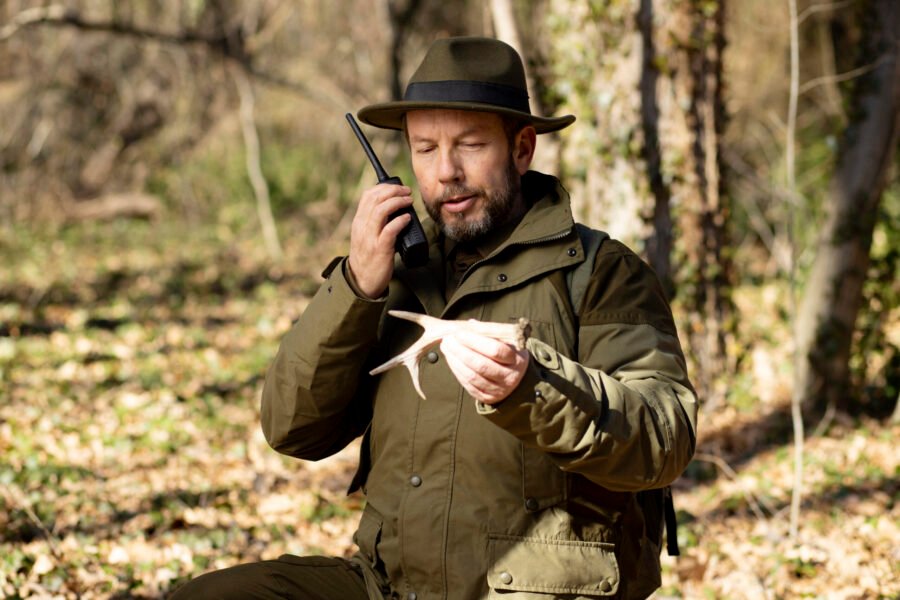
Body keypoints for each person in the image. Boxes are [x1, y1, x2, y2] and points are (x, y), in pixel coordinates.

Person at [171, 36, 698, 600]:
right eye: (425, 148)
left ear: (522, 148)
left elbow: (664, 439)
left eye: (470, 144)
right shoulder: (392, 272)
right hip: (389, 589)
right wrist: (356, 286)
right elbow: (291, 428)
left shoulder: (601, 272)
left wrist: (533, 387)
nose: (446, 171)